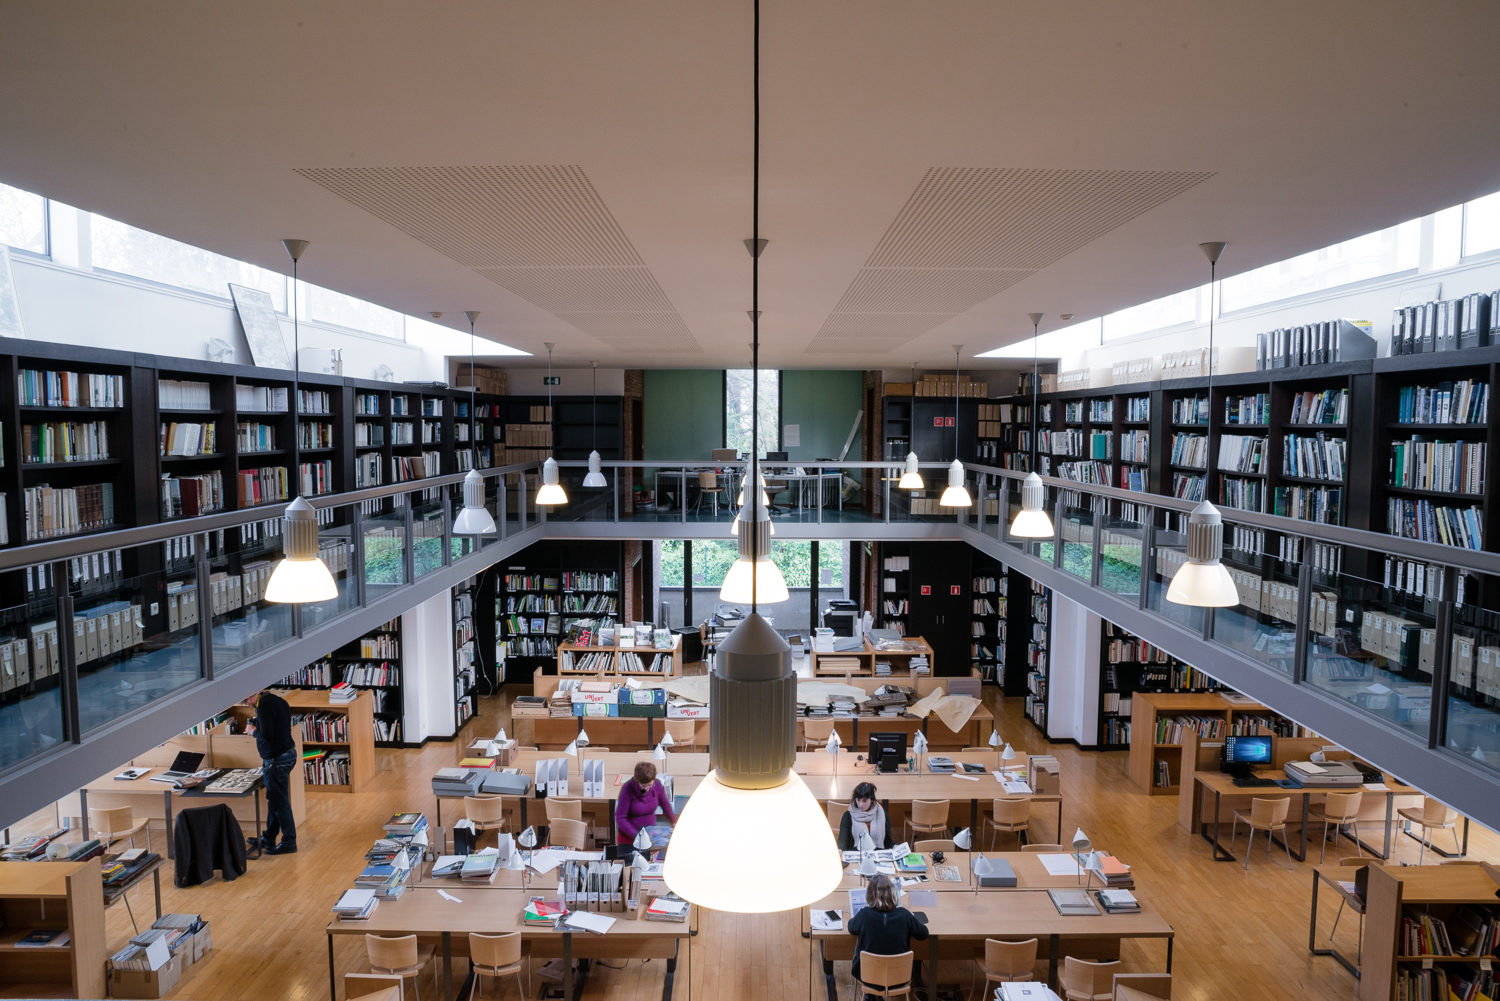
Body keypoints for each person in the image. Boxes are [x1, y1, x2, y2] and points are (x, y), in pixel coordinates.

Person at [846, 873, 928, 986]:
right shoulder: (904, 915)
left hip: (867, 977)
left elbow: (851, 928)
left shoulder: (864, 915)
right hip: (900, 978)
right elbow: (924, 934)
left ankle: (872, 993)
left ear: (869, 895)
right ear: (893, 894)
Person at [244, 689, 297, 854]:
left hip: (276, 761)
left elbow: (267, 735)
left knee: (279, 802)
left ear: (250, 697)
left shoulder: (263, 707)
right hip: (288, 754)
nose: (247, 704)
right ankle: (268, 837)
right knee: (275, 800)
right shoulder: (277, 700)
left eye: (246, 701)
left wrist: (253, 731)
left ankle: (289, 842)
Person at [616, 760, 675, 847]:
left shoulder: (657, 784)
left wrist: (673, 822)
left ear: (654, 779)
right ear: (637, 780)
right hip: (630, 837)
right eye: (644, 786)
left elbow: (665, 805)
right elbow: (621, 818)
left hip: (650, 834)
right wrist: (638, 836)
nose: (647, 788)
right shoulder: (627, 789)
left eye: (649, 785)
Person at [839, 782, 892, 851]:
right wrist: (840, 849)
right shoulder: (848, 815)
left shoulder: (881, 814)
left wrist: (895, 847)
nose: (861, 804)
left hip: (877, 853)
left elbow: (887, 841)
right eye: (858, 800)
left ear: (872, 800)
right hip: (856, 853)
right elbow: (843, 839)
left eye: (865, 801)